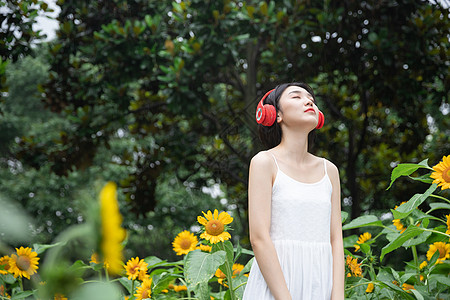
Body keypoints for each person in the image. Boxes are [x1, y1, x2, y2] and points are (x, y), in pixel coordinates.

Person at [242, 82, 345, 300]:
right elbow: (259, 238)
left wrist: (338, 297)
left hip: (320, 284)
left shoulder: (330, 171)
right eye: (296, 97)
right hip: (276, 288)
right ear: (275, 114)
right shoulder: (264, 163)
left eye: (312, 100)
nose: (309, 101)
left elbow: (336, 239)